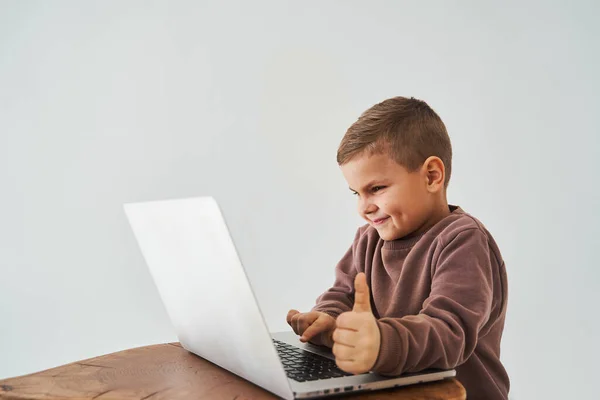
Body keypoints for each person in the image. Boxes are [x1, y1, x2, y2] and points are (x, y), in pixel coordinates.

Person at [286, 96, 509, 399]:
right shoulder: (368, 239)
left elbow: (448, 334)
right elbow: (343, 295)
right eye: (356, 193)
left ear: (432, 176)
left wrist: (379, 342)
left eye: (376, 189)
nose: (364, 207)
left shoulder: (463, 241)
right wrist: (327, 321)